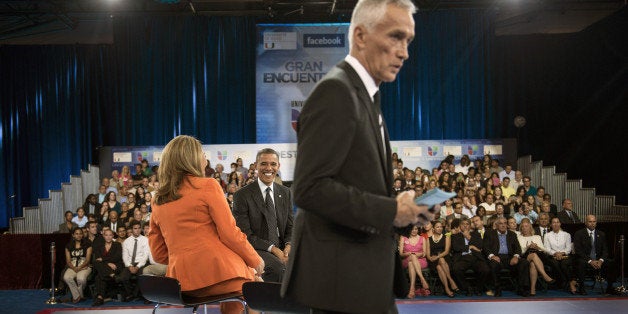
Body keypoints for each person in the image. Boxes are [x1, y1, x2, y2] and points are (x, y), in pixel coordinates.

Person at [281, 1, 433, 313]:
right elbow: (310, 189)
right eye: (395, 37)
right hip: (343, 285)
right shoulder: (336, 92)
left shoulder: (365, 95)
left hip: (361, 280)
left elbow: (356, 185)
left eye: (408, 41)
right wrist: (391, 210)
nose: (404, 52)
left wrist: (406, 214)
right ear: (361, 36)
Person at [148, 135, 263, 314]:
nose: (205, 159)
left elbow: (158, 253)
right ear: (191, 159)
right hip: (218, 275)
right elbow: (230, 233)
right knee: (253, 286)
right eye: (202, 154)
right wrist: (255, 260)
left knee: (243, 285)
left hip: (181, 284)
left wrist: (183, 259)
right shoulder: (208, 185)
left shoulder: (157, 199)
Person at [233, 148, 294, 283]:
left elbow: (291, 226)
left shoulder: (285, 192)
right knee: (278, 268)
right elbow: (245, 235)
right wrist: (274, 250)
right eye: (264, 164)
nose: (269, 168)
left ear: (278, 166)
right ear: (256, 166)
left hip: (283, 247)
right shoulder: (241, 195)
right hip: (257, 248)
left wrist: (289, 246)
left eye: (273, 164)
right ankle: (271, 304)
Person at [483, 217, 530, 297]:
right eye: (501, 223)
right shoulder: (489, 233)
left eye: (505, 223)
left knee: (524, 262)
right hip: (497, 257)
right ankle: (497, 288)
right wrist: (492, 256)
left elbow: (517, 248)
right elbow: (485, 247)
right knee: (493, 264)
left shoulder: (512, 234)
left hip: (509, 258)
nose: (503, 225)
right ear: (497, 225)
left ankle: (521, 288)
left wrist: (516, 256)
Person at [573, 214, 619, 295]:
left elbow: (605, 250)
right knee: (580, 263)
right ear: (586, 223)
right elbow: (578, 251)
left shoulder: (601, 234)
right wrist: (590, 261)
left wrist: (601, 261)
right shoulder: (579, 233)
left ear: (596, 223)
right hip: (585, 260)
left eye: (594, 221)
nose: (592, 223)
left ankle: (609, 287)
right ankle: (581, 287)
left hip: (598, 260)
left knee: (612, 263)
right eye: (590, 221)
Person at [451, 218, 491, 296]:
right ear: (460, 226)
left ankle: (478, 288)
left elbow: (479, 245)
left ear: (470, 226)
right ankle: (467, 287)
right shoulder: (455, 235)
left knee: (485, 269)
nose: (465, 226)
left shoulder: (476, 234)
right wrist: (470, 247)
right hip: (462, 258)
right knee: (456, 269)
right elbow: (456, 247)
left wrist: (468, 237)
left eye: (467, 224)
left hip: (475, 257)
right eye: (463, 224)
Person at [517, 219, 554, 296]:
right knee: (533, 255)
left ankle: (532, 289)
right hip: (524, 257)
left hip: (538, 256)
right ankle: (545, 275)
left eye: (526, 226)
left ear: (530, 227)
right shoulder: (518, 237)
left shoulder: (537, 237)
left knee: (533, 263)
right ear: (521, 228)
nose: (524, 228)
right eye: (523, 227)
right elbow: (519, 251)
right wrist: (527, 247)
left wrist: (537, 247)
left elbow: (544, 249)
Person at [543, 217, 577, 294]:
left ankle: (568, 282)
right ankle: (570, 281)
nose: (556, 224)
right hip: (552, 256)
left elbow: (568, 249)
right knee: (555, 263)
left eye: (557, 222)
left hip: (565, 255)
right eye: (554, 222)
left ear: (560, 224)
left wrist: (561, 253)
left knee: (564, 264)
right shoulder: (547, 235)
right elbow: (547, 248)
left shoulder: (567, 234)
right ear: (551, 225)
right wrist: (555, 253)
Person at [92, 228, 124, 306]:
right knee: (96, 262)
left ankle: (100, 298)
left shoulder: (117, 244)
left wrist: (104, 260)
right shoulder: (99, 246)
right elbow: (98, 259)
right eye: (106, 235)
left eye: (110, 235)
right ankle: (111, 275)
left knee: (99, 276)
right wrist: (108, 263)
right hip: (107, 269)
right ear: (103, 236)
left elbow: (117, 257)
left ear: (113, 236)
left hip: (115, 267)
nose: (108, 237)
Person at [426, 220, 458, 297]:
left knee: (440, 262)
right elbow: (428, 254)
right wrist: (430, 258)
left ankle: (447, 288)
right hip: (433, 261)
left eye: (441, 227)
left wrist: (437, 257)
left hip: (445, 258)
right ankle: (451, 281)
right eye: (437, 227)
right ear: (433, 229)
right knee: (438, 264)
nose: (440, 228)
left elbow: (446, 251)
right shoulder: (428, 239)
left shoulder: (446, 237)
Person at [399, 225, 430, 298]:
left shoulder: (422, 238)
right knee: (411, 257)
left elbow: (424, 253)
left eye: (416, 229)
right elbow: (401, 254)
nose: (414, 230)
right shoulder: (403, 237)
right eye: (412, 229)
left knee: (411, 263)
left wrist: (417, 255)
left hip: (420, 261)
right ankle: (422, 278)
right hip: (406, 259)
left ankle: (411, 290)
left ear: (418, 230)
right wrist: (407, 253)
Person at [63, 227, 92, 304]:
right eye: (76, 234)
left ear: (82, 235)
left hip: (84, 266)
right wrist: (74, 268)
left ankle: (77, 296)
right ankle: (78, 296)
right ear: (73, 235)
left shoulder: (88, 244)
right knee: (66, 277)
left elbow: (87, 260)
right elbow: (68, 261)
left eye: (80, 233)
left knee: (81, 279)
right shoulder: (68, 246)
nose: (79, 235)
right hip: (72, 267)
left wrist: (80, 267)